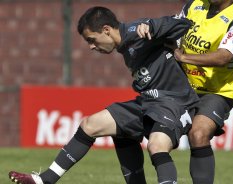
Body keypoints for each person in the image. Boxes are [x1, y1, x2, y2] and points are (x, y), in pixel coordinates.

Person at [8, 6, 199, 184]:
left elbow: (183, 23)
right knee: (90, 125)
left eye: (92, 39)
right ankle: (45, 180)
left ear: (107, 30)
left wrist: (153, 25)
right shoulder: (125, 44)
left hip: (175, 103)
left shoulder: (138, 31)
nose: (91, 46)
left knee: (157, 145)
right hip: (148, 103)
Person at [131, 0, 233, 183]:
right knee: (157, 142)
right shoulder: (194, 4)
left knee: (198, 134)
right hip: (181, 87)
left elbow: (224, 56)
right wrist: (150, 25)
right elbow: (174, 25)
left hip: (217, 91)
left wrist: (183, 57)